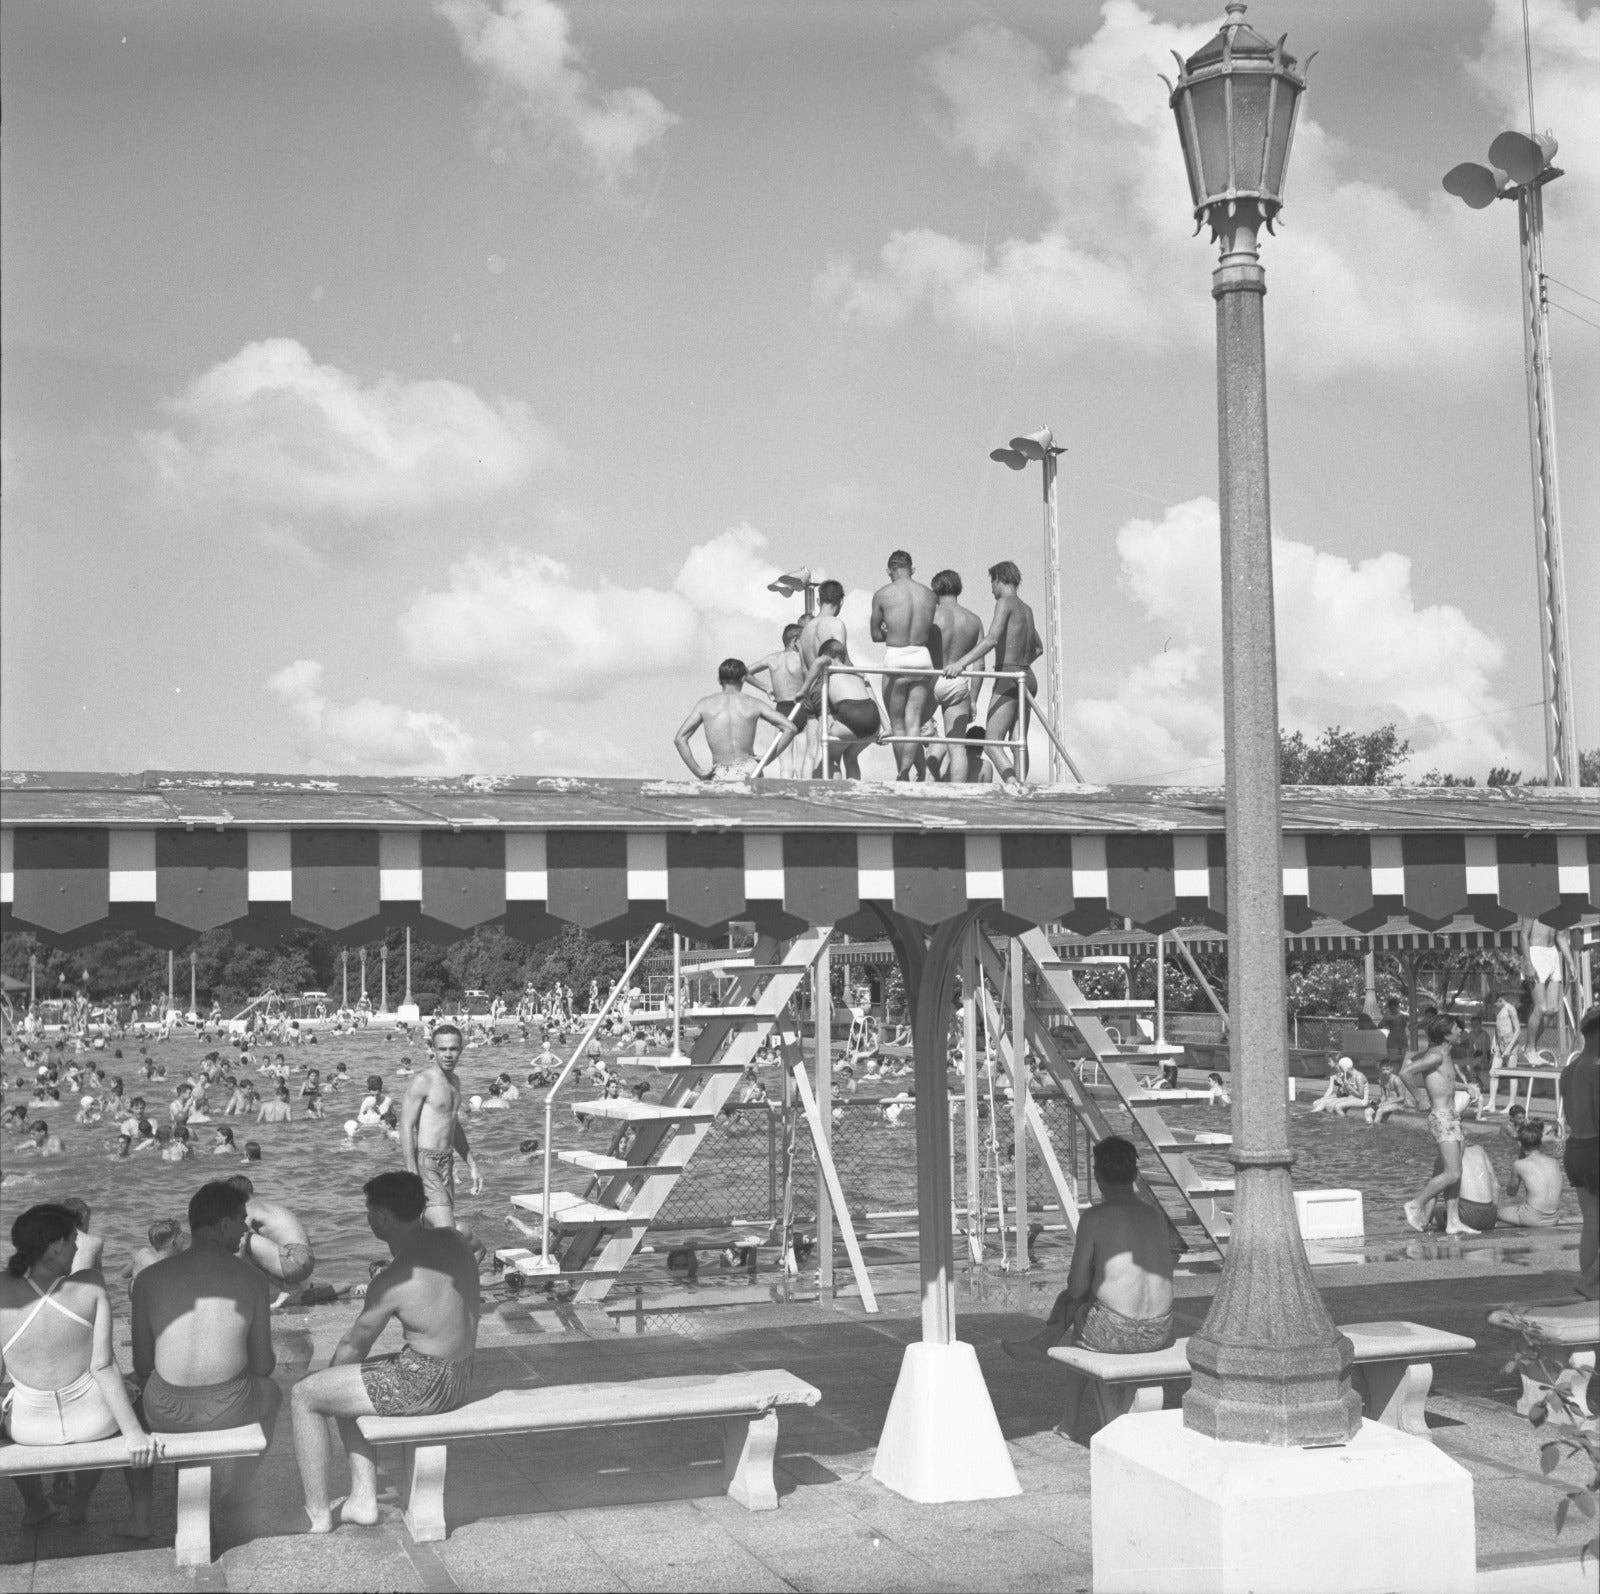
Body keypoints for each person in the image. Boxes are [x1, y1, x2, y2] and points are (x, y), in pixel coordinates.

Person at [289, 1171, 479, 1533]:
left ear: (382, 1217)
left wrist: (324, 1383)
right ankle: (362, 1498)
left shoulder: (394, 1279)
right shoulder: (454, 1240)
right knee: (347, 1382)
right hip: (461, 1373)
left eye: (368, 1209)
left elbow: (353, 1346)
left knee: (306, 1395)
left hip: (427, 1383)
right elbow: (477, 1252)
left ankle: (316, 1514)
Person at [0, 1204, 156, 1533]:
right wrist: (134, 1434)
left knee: (8, 1401)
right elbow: (103, 1366)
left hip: (29, 1429)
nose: (77, 1247)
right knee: (129, 1396)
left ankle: (36, 1505)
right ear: (56, 1246)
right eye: (74, 1240)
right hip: (93, 1423)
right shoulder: (90, 1285)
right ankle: (102, 1506)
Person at [1001, 1137, 1174, 1427]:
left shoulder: (1095, 1218)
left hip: (1116, 1334)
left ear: (1097, 1175)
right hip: (1160, 1330)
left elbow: (1077, 1287)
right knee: (1084, 1305)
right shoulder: (1155, 1216)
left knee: (1076, 1310)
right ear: (1134, 1174)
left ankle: (1068, 1418)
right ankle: (1043, 1347)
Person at [131, 1182, 279, 1470]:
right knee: (271, 1391)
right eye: (241, 1222)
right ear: (224, 1225)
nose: (245, 1230)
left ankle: (141, 1509)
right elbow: (263, 1367)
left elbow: (142, 1366)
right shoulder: (252, 1278)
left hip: (163, 1412)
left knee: (129, 1399)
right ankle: (241, 1487)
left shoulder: (149, 1279)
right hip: (230, 1408)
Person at [942, 560, 1042, 785]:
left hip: (1009, 677)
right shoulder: (1027, 609)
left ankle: (1013, 784)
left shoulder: (1005, 603)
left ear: (999, 579)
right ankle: (1022, 788)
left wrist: (961, 663)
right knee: (1018, 740)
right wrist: (1021, 661)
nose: (991, 589)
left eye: (992, 582)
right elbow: (1039, 648)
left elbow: (992, 639)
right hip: (1028, 677)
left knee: (991, 742)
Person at [399, 1023, 483, 1230]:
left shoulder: (455, 1082)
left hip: (447, 1162)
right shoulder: (423, 1081)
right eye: (442, 1049)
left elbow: (454, 1126)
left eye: (453, 1049)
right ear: (433, 1050)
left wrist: (472, 1165)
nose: (448, 1054)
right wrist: (412, 1174)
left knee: (433, 1234)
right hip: (425, 1163)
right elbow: (405, 1126)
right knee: (448, 1233)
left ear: (461, 1050)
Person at [796, 580, 882, 779]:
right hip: (833, 688)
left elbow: (804, 668)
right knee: (835, 755)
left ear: (818, 600)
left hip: (813, 689)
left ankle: (810, 794)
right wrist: (860, 679)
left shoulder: (806, 631)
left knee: (814, 751)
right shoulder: (835, 624)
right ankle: (841, 798)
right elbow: (842, 660)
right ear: (841, 601)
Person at [869, 551, 939, 782]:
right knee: (914, 721)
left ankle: (902, 773)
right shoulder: (929, 595)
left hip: (896, 657)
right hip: (922, 656)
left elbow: (875, 635)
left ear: (890, 571)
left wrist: (887, 631)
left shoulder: (882, 594)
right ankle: (907, 770)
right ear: (913, 569)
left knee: (897, 724)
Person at [673, 658, 799, 781]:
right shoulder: (754, 703)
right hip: (749, 769)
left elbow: (680, 739)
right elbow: (790, 728)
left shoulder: (705, 704)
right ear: (743, 678)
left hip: (720, 771)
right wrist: (769, 758)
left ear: (719, 680)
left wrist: (698, 771)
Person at [1401, 1017, 1466, 1232]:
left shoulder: (1445, 1055)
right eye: (1457, 1028)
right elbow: (1405, 1072)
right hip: (1442, 1117)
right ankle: (1414, 1204)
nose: (1461, 1031)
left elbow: (1444, 1083)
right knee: (1452, 1173)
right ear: (1447, 1034)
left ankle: (1453, 1221)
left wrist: (1469, 1086)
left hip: (1452, 1117)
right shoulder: (1436, 1055)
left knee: (1454, 1171)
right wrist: (1419, 1097)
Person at [929, 569, 984, 782]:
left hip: (933, 677)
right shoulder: (973, 619)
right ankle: (957, 793)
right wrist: (973, 699)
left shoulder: (931, 615)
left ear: (936, 589)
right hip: (958, 681)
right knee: (957, 745)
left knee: (916, 732)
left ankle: (919, 782)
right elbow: (979, 663)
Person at [1558, 1006, 1598, 1297]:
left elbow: (1572, 1115)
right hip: (1596, 1148)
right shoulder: (1595, 1069)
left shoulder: (1569, 1070)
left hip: (1575, 1149)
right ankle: (1589, 1281)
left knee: (1591, 1223)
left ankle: (1589, 1283)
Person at [747, 623, 808, 777]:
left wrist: (766, 689)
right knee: (802, 765)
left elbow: (745, 672)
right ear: (796, 640)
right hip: (802, 709)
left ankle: (787, 799)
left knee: (786, 765)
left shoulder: (772, 659)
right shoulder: (803, 659)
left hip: (782, 710)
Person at [1496, 1120, 1564, 1228]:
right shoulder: (1554, 1162)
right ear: (1539, 1142)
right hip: (1553, 1218)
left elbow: (1511, 1193)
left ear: (1520, 1143)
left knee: (1495, 1213)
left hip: (1532, 1218)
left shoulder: (1519, 1164)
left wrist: (1520, 1160)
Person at [1520, 918, 1566, 1060]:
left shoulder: (1556, 909)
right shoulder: (1533, 903)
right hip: (1535, 953)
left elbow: (1561, 936)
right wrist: (1528, 963)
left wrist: (1570, 962)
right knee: (1541, 1007)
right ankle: (1529, 1049)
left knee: (1552, 1009)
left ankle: (1529, 1045)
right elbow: (1523, 935)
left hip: (1552, 953)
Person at [1454, 1143, 1500, 1233]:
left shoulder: (1449, 1154)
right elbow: (1496, 1185)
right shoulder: (1480, 1149)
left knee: (1434, 1213)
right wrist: (1494, 1215)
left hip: (1467, 1216)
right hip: (1490, 1216)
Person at [127, 1218, 187, 1285]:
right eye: (182, 1236)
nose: (184, 1239)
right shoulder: (162, 1270)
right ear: (173, 1242)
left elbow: (124, 1275)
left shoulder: (142, 1253)